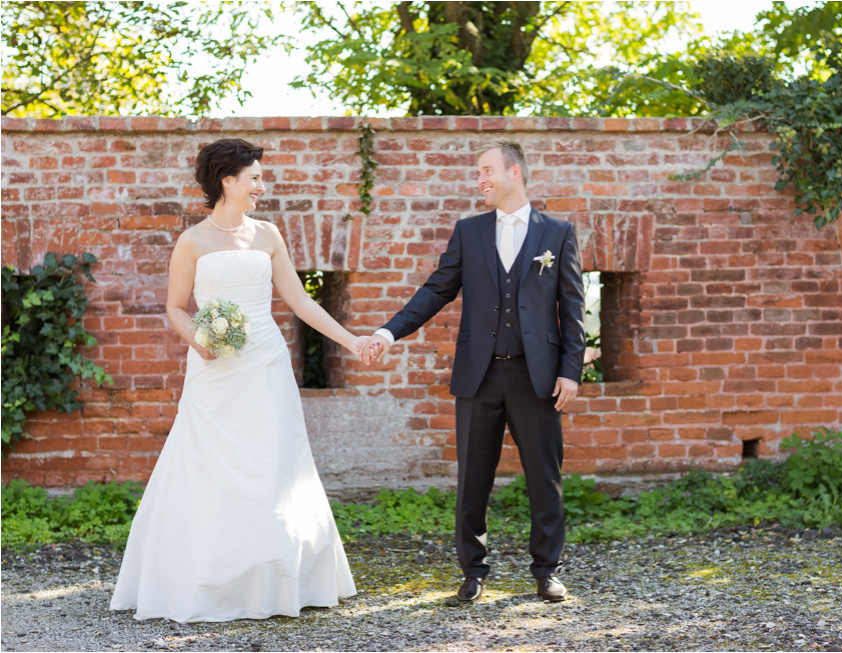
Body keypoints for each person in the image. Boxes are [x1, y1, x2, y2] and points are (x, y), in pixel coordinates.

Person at [110, 138, 362, 622]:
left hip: (265, 363)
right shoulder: (193, 241)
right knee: (208, 463)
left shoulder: (268, 235)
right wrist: (200, 342)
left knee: (274, 460)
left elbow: (301, 303)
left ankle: (276, 577)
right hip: (213, 368)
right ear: (228, 180)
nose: (261, 186)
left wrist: (351, 342)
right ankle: (205, 579)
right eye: (255, 178)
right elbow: (175, 307)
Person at [360, 140, 586, 602]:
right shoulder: (469, 231)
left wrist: (571, 371)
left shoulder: (558, 233)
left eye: (486, 170)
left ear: (515, 173)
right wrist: (387, 333)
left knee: (545, 477)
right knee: (473, 478)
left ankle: (547, 570)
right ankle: (473, 571)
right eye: (478, 172)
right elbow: (434, 291)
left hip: (537, 377)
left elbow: (574, 308)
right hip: (478, 375)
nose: (479, 179)